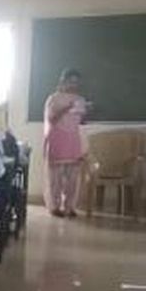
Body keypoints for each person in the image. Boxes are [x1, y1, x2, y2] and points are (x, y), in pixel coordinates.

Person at [43, 68, 89, 218]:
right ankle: (55, 206)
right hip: (57, 139)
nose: (73, 84)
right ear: (63, 80)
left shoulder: (80, 99)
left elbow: (80, 121)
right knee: (55, 177)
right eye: (71, 81)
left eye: (77, 81)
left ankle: (70, 207)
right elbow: (52, 119)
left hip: (73, 140)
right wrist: (67, 107)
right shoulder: (54, 98)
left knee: (73, 177)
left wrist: (86, 113)